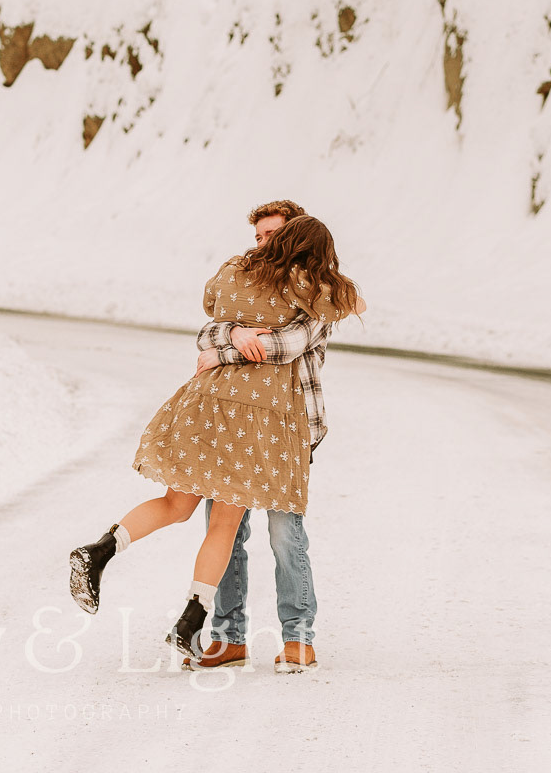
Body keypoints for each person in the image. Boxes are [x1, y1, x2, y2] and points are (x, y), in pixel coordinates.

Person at [68, 205, 364, 661]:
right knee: (223, 526)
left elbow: (285, 344)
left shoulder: (306, 288)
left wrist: (227, 347)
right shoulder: (277, 281)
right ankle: (221, 634)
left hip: (285, 426)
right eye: (259, 236)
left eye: (273, 235)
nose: (264, 244)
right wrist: (233, 333)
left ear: (294, 235)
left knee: (275, 533)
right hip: (256, 420)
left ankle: (295, 638)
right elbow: (211, 331)